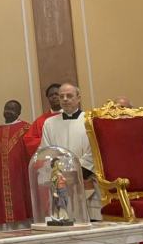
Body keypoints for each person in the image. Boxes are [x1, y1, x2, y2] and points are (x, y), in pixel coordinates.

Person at [40, 82, 99, 219]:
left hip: (86, 179)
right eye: (62, 96)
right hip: (60, 183)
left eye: (69, 96)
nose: (65, 99)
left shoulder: (90, 120)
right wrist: (60, 172)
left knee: (90, 221)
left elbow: (95, 150)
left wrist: (77, 172)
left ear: (78, 98)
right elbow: (46, 151)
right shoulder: (49, 123)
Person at [0, 100, 32, 231]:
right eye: (6, 108)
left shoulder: (27, 129)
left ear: (19, 112)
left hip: (20, 179)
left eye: (12, 109)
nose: (8, 111)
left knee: (23, 222)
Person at [24, 83, 61, 156]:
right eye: (51, 95)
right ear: (47, 98)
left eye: (57, 94)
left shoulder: (72, 117)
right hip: (49, 160)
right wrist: (49, 143)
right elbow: (29, 141)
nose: (54, 97)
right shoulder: (40, 121)